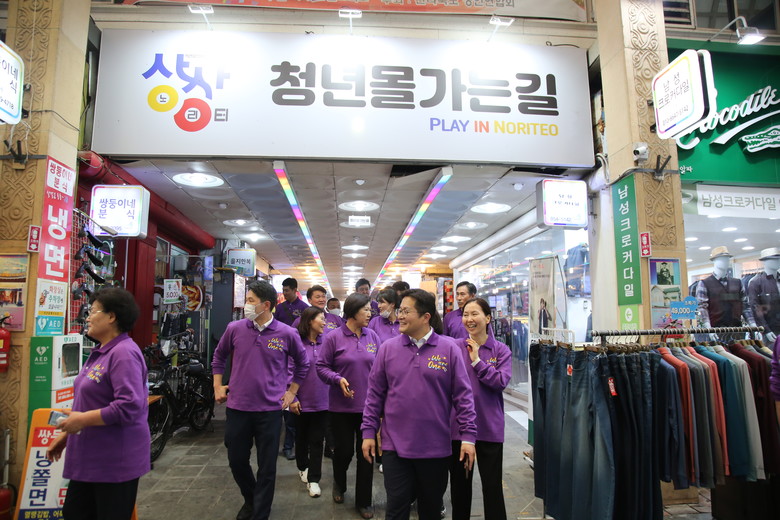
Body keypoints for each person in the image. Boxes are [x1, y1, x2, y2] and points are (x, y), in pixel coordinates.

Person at [361, 289, 477, 520]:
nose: (400, 316)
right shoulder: (388, 349)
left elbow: (463, 396)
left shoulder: (449, 349)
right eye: (399, 310)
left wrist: (468, 437)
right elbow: (374, 395)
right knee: (396, 508)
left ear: (425, 317)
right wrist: (368, 432)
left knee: (430, 510)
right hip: (395, 446)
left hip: (435, 447)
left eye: (406, 311)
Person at [46, 287, 150, 520]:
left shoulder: (124, 353)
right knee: (74, 512)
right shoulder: (101, 352)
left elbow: (129, 405)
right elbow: (92, 401)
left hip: (114, 462)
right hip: (89, 457)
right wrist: (67, 435)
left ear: (111, 317)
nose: (88, 318)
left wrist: (81, 420)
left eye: (93, 312)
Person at [212, 280, 310, 520]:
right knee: (236, 460)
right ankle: (251, 498)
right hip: (238, 408)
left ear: (266, 305)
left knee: (267, 466)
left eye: (250, 301)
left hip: (269, 411)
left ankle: (260, 513)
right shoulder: (235, 328)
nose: (246, 305)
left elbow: (303, 363)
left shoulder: (286, 333)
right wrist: (217, 385)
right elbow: (219, 356)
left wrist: (292, 392)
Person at [317, 293, 380, 519]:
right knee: (343, 452)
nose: (370, 314)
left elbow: (380, 369)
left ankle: (364, 501)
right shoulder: (334, 337)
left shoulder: (373, 336)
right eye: (366, 310)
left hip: (369, 408)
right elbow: (321, 367)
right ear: (353, 311)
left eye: (370, 310)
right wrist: (337, 379)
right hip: (341, 408)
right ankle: (339, 482)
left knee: (366, 455)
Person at [449, 298, 512, 520]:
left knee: (492, 488)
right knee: (460, 489)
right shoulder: (455, 348)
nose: (469, 319)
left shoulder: (501, 350)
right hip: (459, 428)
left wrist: (477, 361)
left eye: (474, 314)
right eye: (465, 315)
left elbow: (500, 382)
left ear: (487, 318)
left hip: (489, 427)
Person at [294, 307, 330, 498]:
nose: (325, 322)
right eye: (321, 319)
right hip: (300, 399)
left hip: (322, 400)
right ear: (309, 321)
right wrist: (292, 397)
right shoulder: (297, 342)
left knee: (317, 440)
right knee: (301, 437)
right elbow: (288, 369)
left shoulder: (328, 342)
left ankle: (314, 479)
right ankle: (302, 466)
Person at [274, 277, 309, 459]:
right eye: (283, 290)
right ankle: (287, 446)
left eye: (287, 290)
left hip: (297, 352)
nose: (285, 293)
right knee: (287, 410)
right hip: (281, 354)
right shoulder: (279, 308)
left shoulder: (304, 308)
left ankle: (299, 445)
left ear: (295, 290)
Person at [748, 248, 780, 344]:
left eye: (778, 259)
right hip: (771, 330)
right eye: (773, 259)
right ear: (765, 262)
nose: (777, 261)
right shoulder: (756, 282)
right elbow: (756, 308)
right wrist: (766, 330)